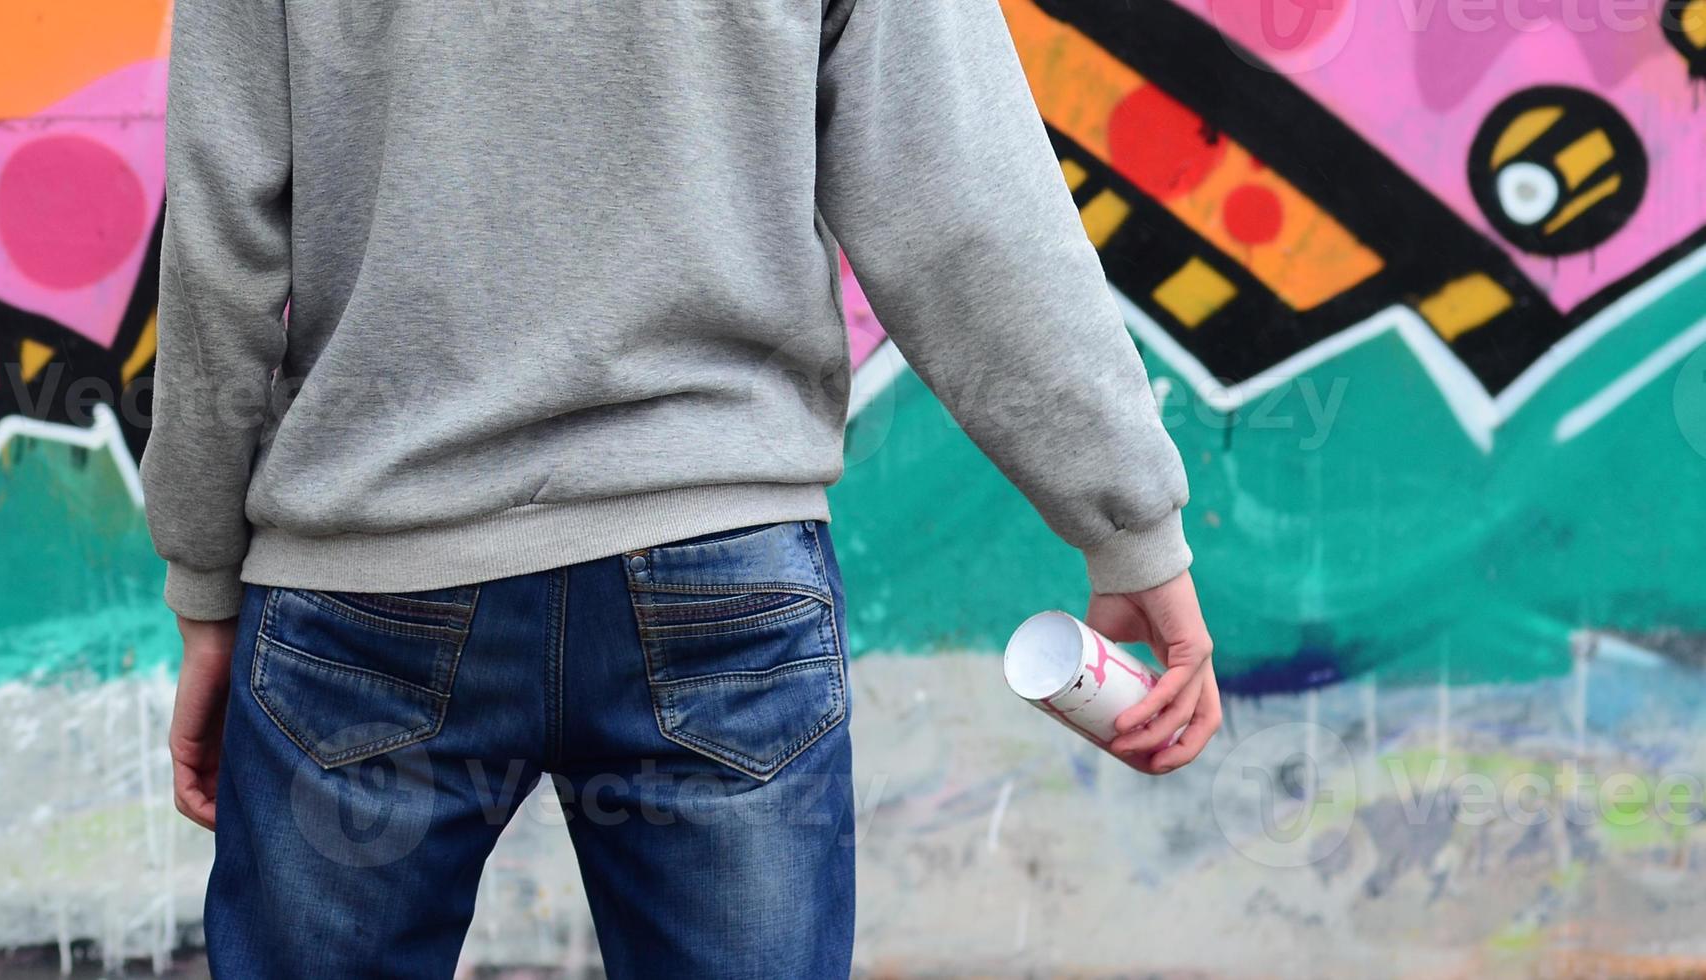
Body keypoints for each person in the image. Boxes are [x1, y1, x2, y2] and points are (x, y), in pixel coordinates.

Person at [141, 0, 1222, 974]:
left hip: (368, 584)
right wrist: (1126, 520)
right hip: (719, 576)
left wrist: (203, 580)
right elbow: (959, 201)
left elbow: (220, 244)